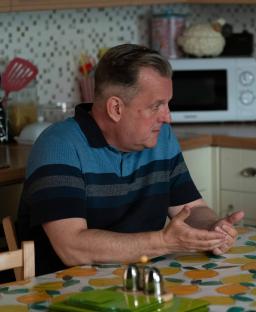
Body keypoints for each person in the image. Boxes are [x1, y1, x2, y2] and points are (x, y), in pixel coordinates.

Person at [17, 44, 244, 275]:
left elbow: (192, 209)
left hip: (136, 282)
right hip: (63, 294)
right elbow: (72, 248)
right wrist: (164, 242)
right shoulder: (59, 145)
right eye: (156, 106)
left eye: (167, 104)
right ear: (115, 108)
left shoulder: (161, 139)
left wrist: (212, 228)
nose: (168, 117)